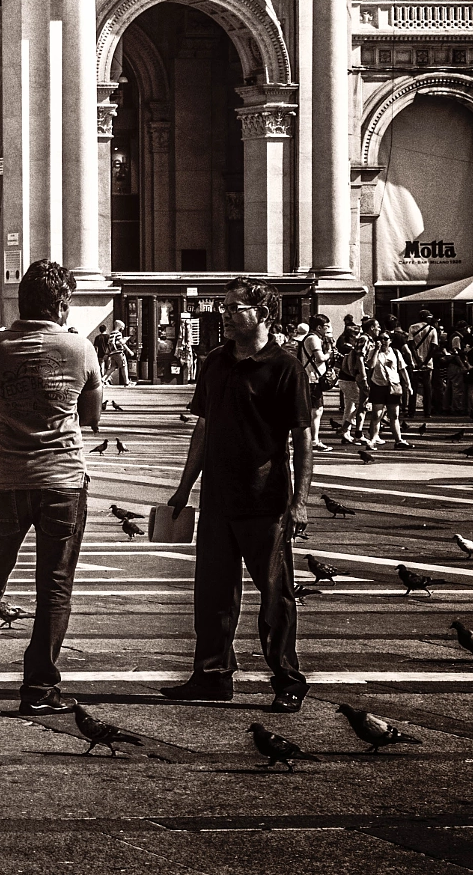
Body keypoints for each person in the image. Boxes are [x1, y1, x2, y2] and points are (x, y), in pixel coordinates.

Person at [0, 259, 100, 716]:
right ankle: (38, 689)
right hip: (63, 481)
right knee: (53, 588)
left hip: (7, 480)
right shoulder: (79, 349)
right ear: (62, 303)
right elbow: (91, 417)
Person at [161, 276, 312, 712]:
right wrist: (183, 488)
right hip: (218, 499)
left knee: (275, 594)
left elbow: (302, 437)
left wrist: (299, 501)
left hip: (265, 500)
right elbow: (203, 429)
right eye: (223, 308)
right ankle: (211, 675)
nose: (223, 314)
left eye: (233, 308)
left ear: (263, 314)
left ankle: (286, 680)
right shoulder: (215, 363)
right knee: (212, 593)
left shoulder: (284, 367)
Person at [364, 329, 413, 449]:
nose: (383, 341)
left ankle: (398, 440)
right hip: (378, 385)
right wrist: (376, 349)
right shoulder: (373, 352)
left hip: (393, 385)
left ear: (390, 341)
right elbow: (370, 365)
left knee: (394, 414)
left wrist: (408, 384)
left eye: (386, 339)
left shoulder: (395, 352)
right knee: (377, 415)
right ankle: (373, 438)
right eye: (380, 339)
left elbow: (402, 369)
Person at [299, 315, 333, 454]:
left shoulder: (313, 337)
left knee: (315, 410)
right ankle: (314, 440)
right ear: (319, 327)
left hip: (312, 378)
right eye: (327, 327)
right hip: (312, 379)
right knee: (316, 411)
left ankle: (312, 439)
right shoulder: (313, 338)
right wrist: (329, 353)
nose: (329, 329)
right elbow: (320, 358)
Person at [104, 320, 133, 387]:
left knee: (112, 367)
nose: (122, 328)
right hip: (119, 352)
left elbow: (109, 344)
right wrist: (129, 350)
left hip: (112, 353)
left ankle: (103, 379)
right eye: (122, 327)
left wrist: (107, 353)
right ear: (120, 326)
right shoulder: (118, 333)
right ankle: (126, 382)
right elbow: (122, 342)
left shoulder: (111, 333)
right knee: (124, 366)